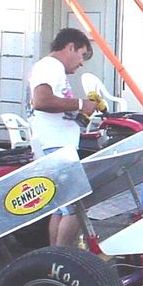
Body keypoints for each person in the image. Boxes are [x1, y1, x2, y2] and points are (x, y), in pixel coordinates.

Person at [28, 27, 97, 246]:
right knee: (75, 206)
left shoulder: (50, 68)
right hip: (55, 146)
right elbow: (42, 100)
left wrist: (79, 113)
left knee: (60, 207)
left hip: (54, 144)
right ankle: (65, 258)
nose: (82, 62)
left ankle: (55, 257)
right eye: (82, 54)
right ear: (70, 47)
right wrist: (80, 104)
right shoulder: (51, 66)